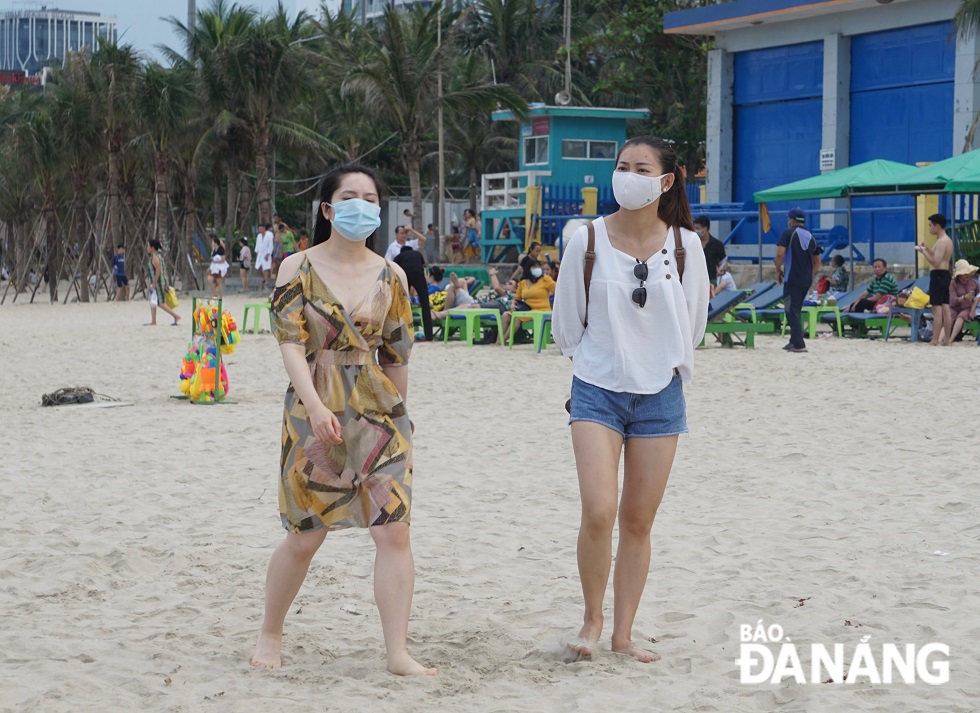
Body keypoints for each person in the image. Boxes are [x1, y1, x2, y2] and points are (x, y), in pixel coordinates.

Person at [250, 163, 434, 676]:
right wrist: (313, 406)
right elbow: (290, 343)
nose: (361, 205)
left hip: (380, 413)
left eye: (370, 197)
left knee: (394, 531)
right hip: (314, 405)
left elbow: (397, 356)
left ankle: (397, 651)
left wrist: (401, 421)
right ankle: (270, 632)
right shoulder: (297, 268)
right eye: (349, 196)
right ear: (328, 209)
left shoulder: (392, 274)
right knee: (307, 533)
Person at [551, 136, 709, 664]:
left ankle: (623, 634)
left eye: (641, 167)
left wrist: (655, 361)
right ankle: (592, 620)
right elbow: (567, 322)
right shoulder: (586, 239)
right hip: (596, 389)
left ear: (665, 181)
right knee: (598, 510)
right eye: (622, 166)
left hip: (661, 395)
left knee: (638, 521)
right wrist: (602, 360)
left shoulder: (686, 245)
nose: (629, 175)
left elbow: (693, 326)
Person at [775, 207, 821, 353]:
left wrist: (778, 270)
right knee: (796, 308)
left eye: (788, 218)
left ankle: (800, 344)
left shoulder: (788, 233)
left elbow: (780, 254)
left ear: (792, 219)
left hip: (793, 278)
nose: (787, 221)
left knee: (791, 309)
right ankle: (793, 341)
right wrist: (809, 274)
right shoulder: (810, 236)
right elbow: (817, 261)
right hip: (806, 279)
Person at [915, 214, 954, 346]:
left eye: (931, 225)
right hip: (945, 275)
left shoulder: (942, 241)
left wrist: (922, 252)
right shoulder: (946, 240)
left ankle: (935, 339)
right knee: (946, 307)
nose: (929, 228)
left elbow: (935, 262)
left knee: (937, 309)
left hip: (938, 275)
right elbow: (939, 257)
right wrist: (927, 249)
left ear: (937, 226)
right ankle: (947, 339)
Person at [500, 258, 556, 344]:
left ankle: (502, 342)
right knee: (505, 315)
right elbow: (517, 298)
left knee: (518, 318)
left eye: (538, 266)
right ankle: (498, 340)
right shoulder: (523, 283)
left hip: (542, 309)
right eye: (534, 266)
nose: (537, 269)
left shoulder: (545, 280)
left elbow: (557, 290)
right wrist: (513, 304)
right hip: (528, 309)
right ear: (528, 268)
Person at [393, 245, 433, 341]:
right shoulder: (418, 254)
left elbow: (395, 271)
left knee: (402, 304)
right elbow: (423, 269)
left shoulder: (398, 257)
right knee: (425, 305)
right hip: (418, 274)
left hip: (405, 275)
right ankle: (429, 336)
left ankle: (401, 335)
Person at [145, 240, 180, 326]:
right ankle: (153, 321)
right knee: (153, 301)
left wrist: (154, 283)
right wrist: (166, 282)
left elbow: (158, 271)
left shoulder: (155, 257)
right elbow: (164, 271)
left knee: (160, 302)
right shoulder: (159, 256)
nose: (147, 248)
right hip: (160, 281)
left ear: (152, 248)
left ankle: (176, 316)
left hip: (158, 282)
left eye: (148, 246)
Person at [948, 259, 979, 342]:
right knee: (949, 317)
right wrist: (964, 297)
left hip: (967, 308)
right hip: (954, 307)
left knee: (961, 317)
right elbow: (952, 301)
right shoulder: (953, 283)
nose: (967, 274)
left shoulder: (974, 283)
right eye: (964, 273)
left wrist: (973, 307)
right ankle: (941, 339)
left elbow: (979, 295)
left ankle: (950, 339)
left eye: (968, 272)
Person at [693, 215, 726, 285]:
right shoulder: (692, 243)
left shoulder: (717, 244)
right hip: (695, 279)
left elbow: (723, 261)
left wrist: (722, 269)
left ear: (705, 229)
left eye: (697, 228)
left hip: (711, 280)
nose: (695, 231)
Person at [254, 224, 274, 291]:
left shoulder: (269, 236)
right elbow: (257, 246)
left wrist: (268, 254)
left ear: (264, 229)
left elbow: (270, 246)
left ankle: (266, 282)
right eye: (259, 229)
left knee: (266, 268)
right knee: (258, 267)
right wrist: (257, 254)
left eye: (261, 229)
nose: (260, 230)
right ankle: (264, 278)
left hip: (266, 253)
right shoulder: (259, 236)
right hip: (260, 253)